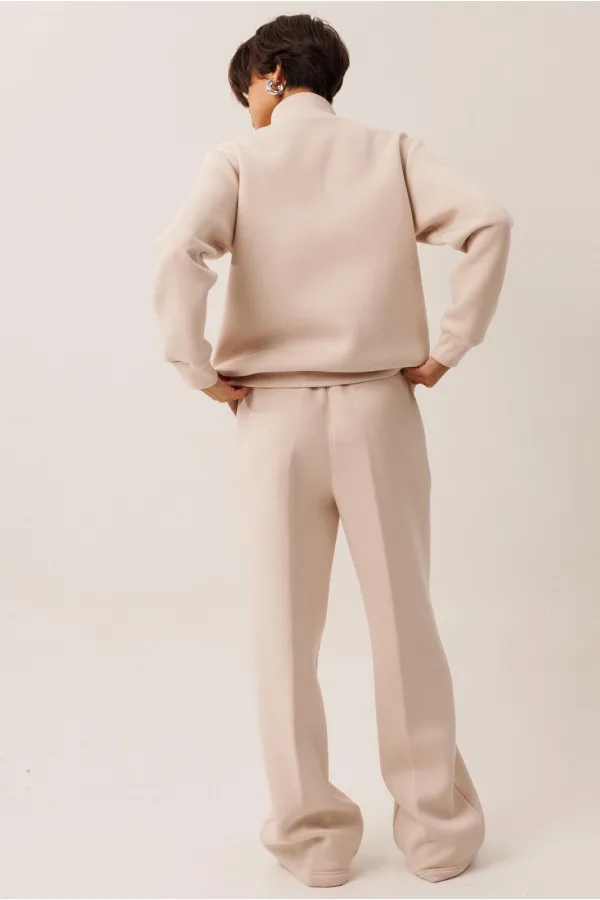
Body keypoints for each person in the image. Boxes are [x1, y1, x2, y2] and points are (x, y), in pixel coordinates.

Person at [152, 13, 513, 888]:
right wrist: (449, 347)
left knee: (283, 635)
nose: (247, 106)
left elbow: (180, 253)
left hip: (273, 418)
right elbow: (489, 221)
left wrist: (197, 369)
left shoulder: (238, 161)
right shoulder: (391, 152)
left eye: (248, 88)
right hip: (379, 407)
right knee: (405, 623)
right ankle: (438, 833)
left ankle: (312, 841)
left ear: (272, 73)